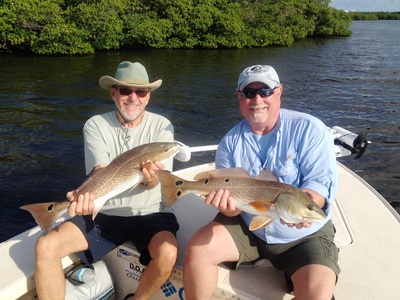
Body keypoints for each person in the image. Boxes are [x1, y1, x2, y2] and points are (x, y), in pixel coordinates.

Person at [183, 65, 340, 300]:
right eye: (249, 93)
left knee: (318, 294)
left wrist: (307, 206)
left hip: (304, 237)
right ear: (239, 97)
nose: (257, 99)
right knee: (198, 248)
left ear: (279, 92)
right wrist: (227, 206)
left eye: (265, 91)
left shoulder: (310, 129)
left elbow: (319, 183)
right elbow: (234, 209)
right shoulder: (229, 143)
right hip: (248, 227)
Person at [34, 61, 179, 300]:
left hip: (152, 212)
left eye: (140, 91)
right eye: (125, 90)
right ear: (113, 93)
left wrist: (148, 179)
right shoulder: (95, 124)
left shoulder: (162, 126)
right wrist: (82, 197)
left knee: (167, 253)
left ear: (148, 96)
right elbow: (101, 171)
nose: (133, 98)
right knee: (45, 247)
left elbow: (156, 183)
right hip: (105, 214)